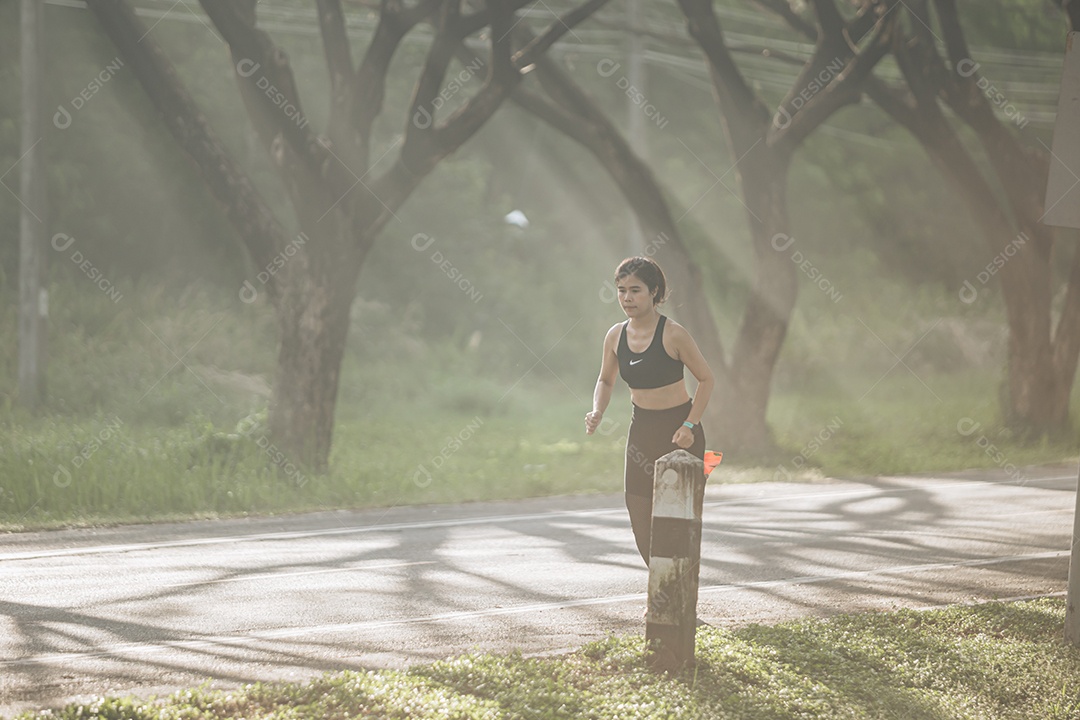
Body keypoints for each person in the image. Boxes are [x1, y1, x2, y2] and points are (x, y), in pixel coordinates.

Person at [584, 256, 714, 566]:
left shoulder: (673, 334)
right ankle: (662, 582)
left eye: (635, 290)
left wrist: (690, 424)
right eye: (621, 290)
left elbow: (707, 379)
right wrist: (597, 410)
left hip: (680, 433)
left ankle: (679, 588)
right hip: (641, 432)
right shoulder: (615, 336)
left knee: (676, 521)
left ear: (654, 292)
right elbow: (605, 379)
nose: (627, 298)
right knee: (639, 515)